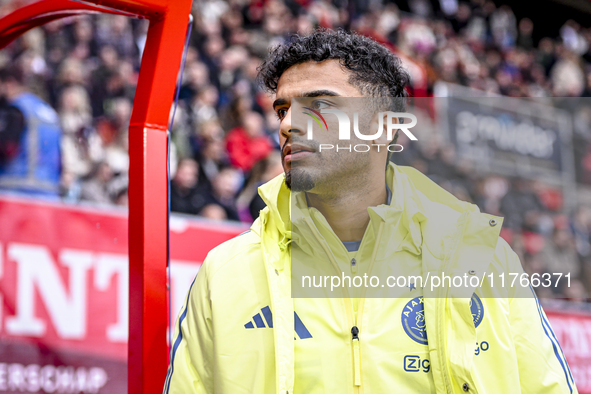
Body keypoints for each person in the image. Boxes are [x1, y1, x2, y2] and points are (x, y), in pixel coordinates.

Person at [164, 29, 577, 394]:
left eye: (321, 105)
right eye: (282, 109)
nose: (288, 124)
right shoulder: (225, 272)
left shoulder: (482, 260)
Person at [0, 66, 62, 197]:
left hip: (16, 189)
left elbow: (7, 147)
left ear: (9, 83)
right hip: (48, 192)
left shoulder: (16, 110)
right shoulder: (48, 112)